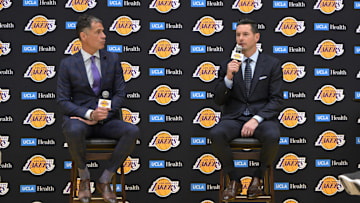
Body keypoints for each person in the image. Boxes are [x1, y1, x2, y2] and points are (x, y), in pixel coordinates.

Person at [57, 14, 140, 203]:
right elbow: (62, 101)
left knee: (132, 130)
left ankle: (105, 179)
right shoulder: (67, 64)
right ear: (84, 36)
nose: (104, 35)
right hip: (82, 122)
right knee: (72, 128)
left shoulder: (112, 59)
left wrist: (106, 110)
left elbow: (120, 93)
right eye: (98, 32)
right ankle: (84, 177)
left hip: (107, 121)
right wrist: (88, 114)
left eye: (103, 31)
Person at [210, 18, 283, 200]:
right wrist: (228, 77)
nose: (241, 39)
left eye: (245, 34)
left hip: (261, 119)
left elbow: (276, 100)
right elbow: (219, 99)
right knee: (216, 134)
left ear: (256, 37)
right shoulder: (228, 64)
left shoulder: (272, 64)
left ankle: (257, 179)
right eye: (238, 35)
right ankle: (234, 181)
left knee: (273, 135)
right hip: (234, 118)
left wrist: (256, 119)